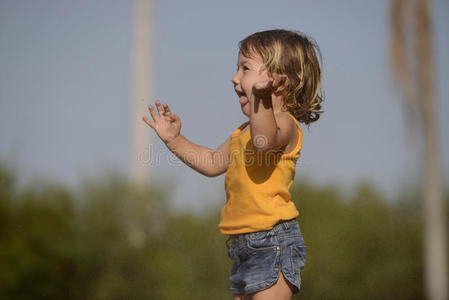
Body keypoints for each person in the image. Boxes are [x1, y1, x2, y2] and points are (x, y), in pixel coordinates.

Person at [142, 29, 323, 300]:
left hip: (273, 242)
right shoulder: (243, 132)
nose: (234, 77)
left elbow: (264, 142)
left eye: (245, 68)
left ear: (278, 81)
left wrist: (261, 99)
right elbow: (212, 163)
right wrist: (174, 140)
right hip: (242, 247)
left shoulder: (285, 124)